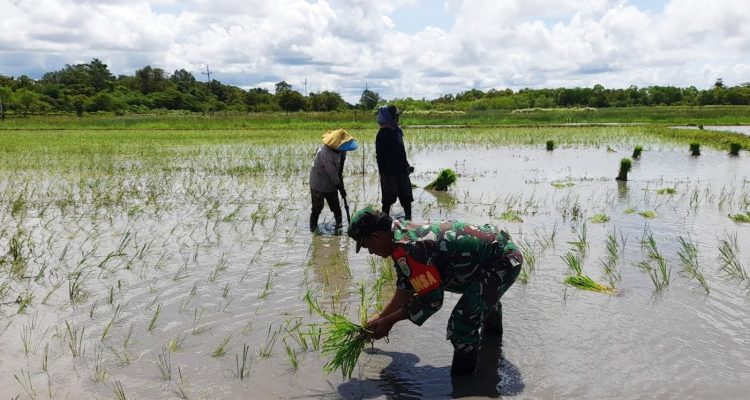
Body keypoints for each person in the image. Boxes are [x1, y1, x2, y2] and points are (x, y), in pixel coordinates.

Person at [347, 206, 523, 375]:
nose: (370, 252)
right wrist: (380, 318)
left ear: (376, 236)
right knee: (480, 300)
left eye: (367, 246)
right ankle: (493, 351)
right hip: (487, 259)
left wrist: (390, 321)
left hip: (502, 260)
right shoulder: (399, 237)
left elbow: (431, 300)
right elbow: (405, 289)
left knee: (462, 325)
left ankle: (466, 387)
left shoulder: (410, 248)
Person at [309, 129, 358, 232]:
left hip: (331, 182)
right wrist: (341, 188)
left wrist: (341, 184)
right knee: (317, 208)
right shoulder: (326, 153)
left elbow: (339, 169)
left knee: (336, 207)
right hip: (318, 182)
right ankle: (313, 229)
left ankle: (339, 227)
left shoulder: (342, 149)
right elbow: (332, 174)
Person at [375, 105, 414, 220]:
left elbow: (401, 152)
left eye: (397, 116)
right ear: (388, 117)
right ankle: (384, 223)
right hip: (389, 173)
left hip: (402, 171)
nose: (398, 118)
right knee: (387, 200)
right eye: (396, 116)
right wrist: (385, 175)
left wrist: (407, 165)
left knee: (406, 197)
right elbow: (380, 157)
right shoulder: (382, 135)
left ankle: (409, 220)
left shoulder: (397, 131)